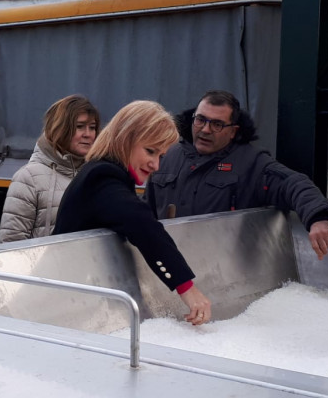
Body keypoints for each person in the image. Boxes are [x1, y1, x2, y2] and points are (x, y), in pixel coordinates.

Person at [54, 100, 213, 326]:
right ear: (125, 139)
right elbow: (143, 224)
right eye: (150, 151)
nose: (156, 165)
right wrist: (187, 287)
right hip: (65, 306)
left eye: (161, 156)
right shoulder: (103, 178)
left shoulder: (107, 173)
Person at [146, 90, 328, 260]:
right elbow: (145, 208)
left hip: (224, 272)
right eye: (201, 119)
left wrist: (318, 218)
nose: (205, 129)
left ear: (233, 131)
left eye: (217, 124)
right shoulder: (167, 155)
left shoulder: (252, 164)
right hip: (168, 265)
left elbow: (293, 183)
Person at [0, 95, 100, 243]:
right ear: (60, 128)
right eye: (79, 126)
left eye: (92, 127)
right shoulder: (28, 178)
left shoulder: (96, 175)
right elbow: (10, 245)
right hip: (44, 266)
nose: (88, 134)